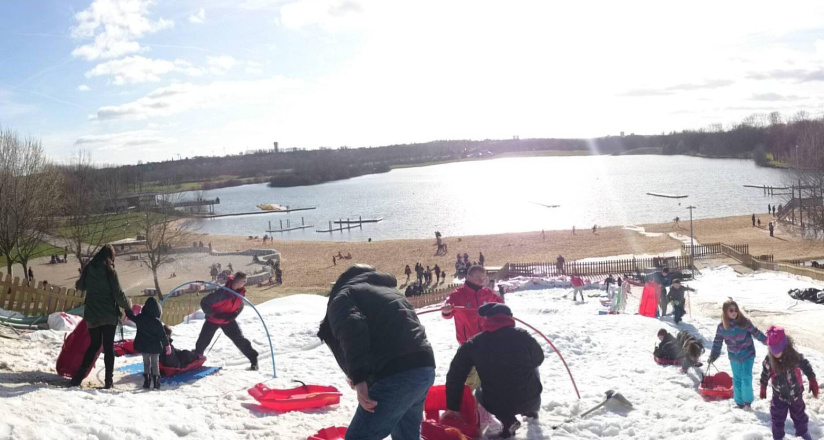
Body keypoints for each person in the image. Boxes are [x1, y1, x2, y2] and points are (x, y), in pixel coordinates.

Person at [317, 265, 436, 440]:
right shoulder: (387, 291)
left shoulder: (342, 298)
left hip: (397, 374)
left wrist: (359, 376)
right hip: (423, 368)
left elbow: (352, 329)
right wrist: (363, 374)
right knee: (406, 435)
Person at [442, 304, 542, 438]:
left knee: (479, 391)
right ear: (509, 318)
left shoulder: (474, 343)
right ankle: (531, 410)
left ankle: (507, 419)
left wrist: (453, 406)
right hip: (530, 397)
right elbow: (538, 359)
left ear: (487, 320)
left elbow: (455, 375)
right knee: (533, 368)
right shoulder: (523, 336)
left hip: (497, 402)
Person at [71, 244, 132, 388]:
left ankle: (78, 377)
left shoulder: (89, 268)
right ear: (111, 256)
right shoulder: (110, 271)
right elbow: (118, 294)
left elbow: (80, 286)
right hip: (109, 315)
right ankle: (108, 381)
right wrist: (128, 305)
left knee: (94, 345)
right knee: (108, 346)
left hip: (92, 314)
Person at [442, 265, 505, 392]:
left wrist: (500, 302)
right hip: (468, 346)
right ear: (468, 277)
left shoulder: (487, 293)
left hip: (487, 343)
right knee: (469, 381)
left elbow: (501, 306)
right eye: (478, 278)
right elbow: (447, 313)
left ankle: (484, 407)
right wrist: (447, 310)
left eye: (484, 278)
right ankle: (468, 405)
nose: (481, 281)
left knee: (488, 378)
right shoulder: (458, 295)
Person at [759, 326, 817, 440]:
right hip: (779, 395)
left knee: (799, 416)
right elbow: (765, 373)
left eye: (778, 350)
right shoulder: (769, 360)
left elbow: (805, 365)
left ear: (785, 347)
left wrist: (812, 379)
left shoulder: (794, 357)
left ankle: (803, 433)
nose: (775, 354)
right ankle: (777, 436)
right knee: (777, 418)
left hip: (796, 394)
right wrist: (763, 385)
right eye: (773, 351)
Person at [708, 299, 767, 408]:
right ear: (725, 312)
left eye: (736, 310)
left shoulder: (744, 323)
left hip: (747, 354)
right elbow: (717, 342)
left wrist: (769, 342)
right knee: (737, 378)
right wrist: (713, 355)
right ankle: (739, 402)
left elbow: (756, 333)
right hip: (734, 357)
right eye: (731, 310)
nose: (734, 312)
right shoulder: (721, 327)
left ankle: (747, 402)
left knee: (746, 378)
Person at [194, 272, 259, 370]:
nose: (245, 283)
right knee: (203, 340)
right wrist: (216, 314)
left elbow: (240, 305)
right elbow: (204, 303)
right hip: (213, 319)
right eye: (244, 281)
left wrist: (234, 314)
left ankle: (253, 359)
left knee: (239, 340)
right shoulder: (221, 293)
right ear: (237, 282)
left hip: (228, 321)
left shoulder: (240, 292)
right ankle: (196, 359)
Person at [124, 297, 170, 389]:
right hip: (155, 347)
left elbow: (131, 315)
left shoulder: (140, 318)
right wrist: (167, 345)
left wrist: (127, 306)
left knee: (146, 364)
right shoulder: (157, 322)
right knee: (155, 364)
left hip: (143, 346)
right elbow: (162, 335)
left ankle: (147, 381)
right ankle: (156, 382)